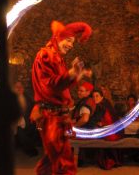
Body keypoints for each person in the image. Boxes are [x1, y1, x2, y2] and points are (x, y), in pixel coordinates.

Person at [30, 20, 92, 175]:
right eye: (68, 40)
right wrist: (71, 73)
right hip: (51, 117)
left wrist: (77, 75)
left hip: (58, 117)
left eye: (73, 42)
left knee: (52, 160)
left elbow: (62, 87)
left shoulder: (58, 58)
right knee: (64, 163)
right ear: (58, 37)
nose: (71, 45)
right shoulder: (46, 55)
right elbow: (50, 85)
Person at [90, 89, 122, 170]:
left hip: (110, 134)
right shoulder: (106, 103)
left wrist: (100, 124)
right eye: (93, 96)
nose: (95, 98)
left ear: (102, 96)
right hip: (115, 132)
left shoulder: (101, 106)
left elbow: (103, 121)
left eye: (97, 96)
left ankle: (107, 161)